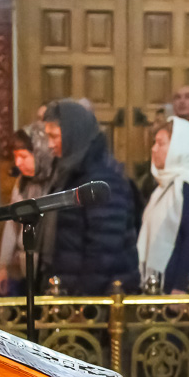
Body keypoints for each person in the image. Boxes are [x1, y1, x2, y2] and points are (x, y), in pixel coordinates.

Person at [43, 100, 140, 294]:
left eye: (54, 136)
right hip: (74, 287)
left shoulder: (103, 180)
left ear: (73, 134)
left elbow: (105, 248)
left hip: (101, 296)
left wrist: (82, 298)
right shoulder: (71, 172)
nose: (49, 144)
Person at [137, 119, 189, 293]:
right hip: (164, 281)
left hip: (184, 285)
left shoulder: (187, 185)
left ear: (180, 148)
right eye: (154, 143)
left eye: (161, 144)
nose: (153, 149)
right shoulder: (163, 186)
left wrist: (181, 286)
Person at [0, 122, 57, 295]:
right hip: (26, 268)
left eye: (23, 156)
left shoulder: (57, 183)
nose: (17, 162)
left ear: (40, 153)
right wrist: (3, 266)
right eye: (15, 156)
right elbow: (12, 224)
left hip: (50, 270)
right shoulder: (23, 183)